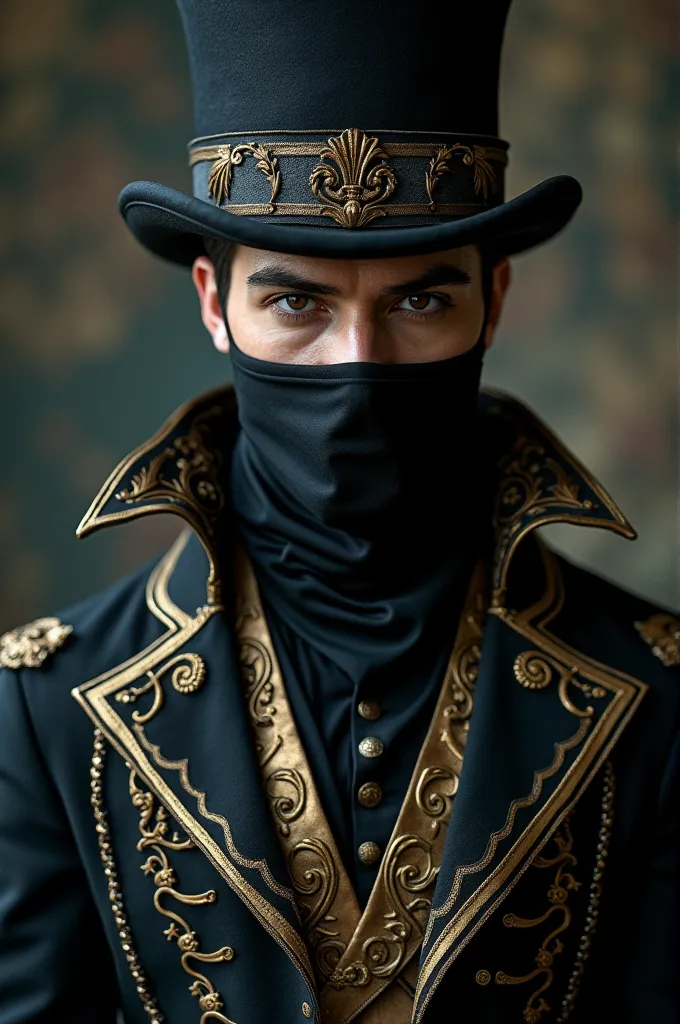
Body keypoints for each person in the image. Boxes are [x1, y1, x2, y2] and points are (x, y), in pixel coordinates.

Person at [0, 1, 677, 1022]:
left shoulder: (657, 693)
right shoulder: (42, 708)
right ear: (209, 299)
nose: (356, 364)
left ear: (492, 301)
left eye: (416, 303)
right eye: (295, 302)